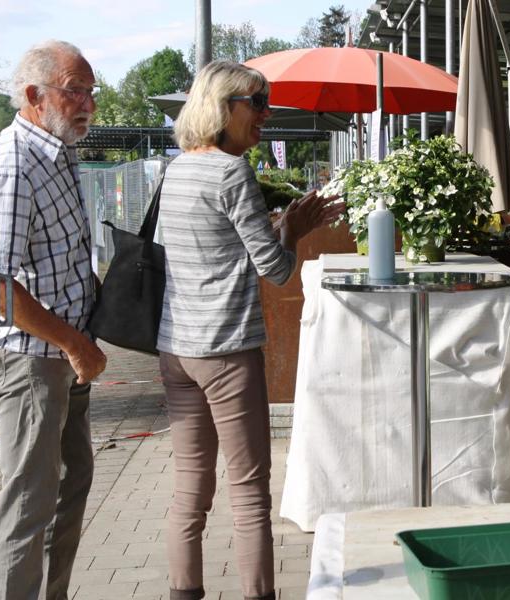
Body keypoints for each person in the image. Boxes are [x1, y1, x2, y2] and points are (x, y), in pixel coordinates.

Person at [157, 60, 342, 600]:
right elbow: (276, 269)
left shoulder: (176, 169)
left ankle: (182, 593)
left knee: (189, 490)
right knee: (249, 492)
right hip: (228, 351)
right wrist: (296, 228)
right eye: (256, 104)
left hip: (176, 349)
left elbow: (213, 249)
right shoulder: (230, 172)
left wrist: (277, 227)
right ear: (224, 107)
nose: (265, 115)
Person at [0, 40, 106, 600]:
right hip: (32, 361)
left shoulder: (58, 153)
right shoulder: (15, 162)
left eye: (90, 90)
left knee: (70, 488)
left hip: (65, 354)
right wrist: (74, 344)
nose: (87, 102)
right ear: (35, 96)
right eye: (75, 90)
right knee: (28, 505)